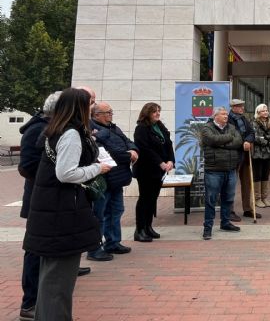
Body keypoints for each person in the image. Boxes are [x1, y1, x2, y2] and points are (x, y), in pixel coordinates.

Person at [23, 88, 112, 321]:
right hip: (61, 213)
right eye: (89, 106)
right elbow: (66, 173)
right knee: (58, 283)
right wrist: (97, 168)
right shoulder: (71, 133)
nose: (91, 110)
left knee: (50, 279)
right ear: (78, 108)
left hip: (51, 211)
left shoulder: (54, 130)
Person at [17, 92, 67, 321]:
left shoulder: (58, 129)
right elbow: (27, 166)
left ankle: (44, 296)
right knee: (36, 251)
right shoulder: (37, 130)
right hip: (40, 200)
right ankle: (30, 302)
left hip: (53, 201)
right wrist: (52, 178)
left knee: (51, 248)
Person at [87, 102, 138, 260]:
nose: (110, 115)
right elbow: (108, 152)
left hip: (118, 178)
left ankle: (113, 242)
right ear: (96, 115)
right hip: (104, 178)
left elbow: (129, 141)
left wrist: (133, 150)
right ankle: (94, 248)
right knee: (99, 214)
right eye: (107, 112)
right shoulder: (92, 129)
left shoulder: (113, 127)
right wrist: (129, 155)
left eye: (111, 112)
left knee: (116, 211)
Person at [133, 102, 175, 242]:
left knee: (152, 199)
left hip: (159, 170)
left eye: (158, 111)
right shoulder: (141, 128)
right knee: (145, 198)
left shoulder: (159, 126)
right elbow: (145, 149)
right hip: (146, 169)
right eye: (154, 111)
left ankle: (148, 227)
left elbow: (168, 144)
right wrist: (160, 162)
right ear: (147, 113)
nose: (157, 113)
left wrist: (170, 160)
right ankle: (139, 230)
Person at [201, 107, 243, 239]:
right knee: (211, 200)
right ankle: (208, 228)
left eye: (226, 114)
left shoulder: (231, 127)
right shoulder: (206, 128)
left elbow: (239, 142)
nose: (226, 116)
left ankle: (225, 223)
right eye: (223, 114)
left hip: (230, 169)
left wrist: (221, 142)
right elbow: (212, 140)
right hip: (214, 171)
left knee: (228, 198)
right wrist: (229, 138)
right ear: (215, 116)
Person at [228, 99, 259, 220]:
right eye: (240, 106)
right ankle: (229, 211)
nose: (242, 108)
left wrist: (248, 140)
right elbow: (231, 136)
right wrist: (243, 142)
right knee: (231, 184)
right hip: (234, 155)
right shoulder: (228, 119)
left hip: (246, 156)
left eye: (242, 106)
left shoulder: (243, 118)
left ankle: (247, 209)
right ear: (234, 107)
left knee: (247, 183)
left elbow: (251, 132)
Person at [251, 103, 270, 208]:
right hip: (257, 154)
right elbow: (256, 137)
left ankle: (264, 197)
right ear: (258, 112)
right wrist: (267, 140)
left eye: (266, 110)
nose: (266, 112)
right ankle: (257, 198)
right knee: (257, 175)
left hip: (268, 153)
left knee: (265, 175)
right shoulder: (254, 123)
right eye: (263, 111)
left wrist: (266, 139)